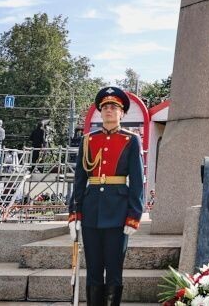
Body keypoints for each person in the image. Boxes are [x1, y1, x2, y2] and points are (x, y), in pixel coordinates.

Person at [69, 86, 144, 306]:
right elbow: (79, 179)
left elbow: (137, 181)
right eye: (105, 107)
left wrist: (134, 215)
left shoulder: (131, 140)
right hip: (91, 211)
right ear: (100, 112)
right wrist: (74, 213)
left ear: (122, 113)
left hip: (118, 212)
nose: (109, 110)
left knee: (114, 271)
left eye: (114, 107)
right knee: (93, 270)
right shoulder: (88, 140)